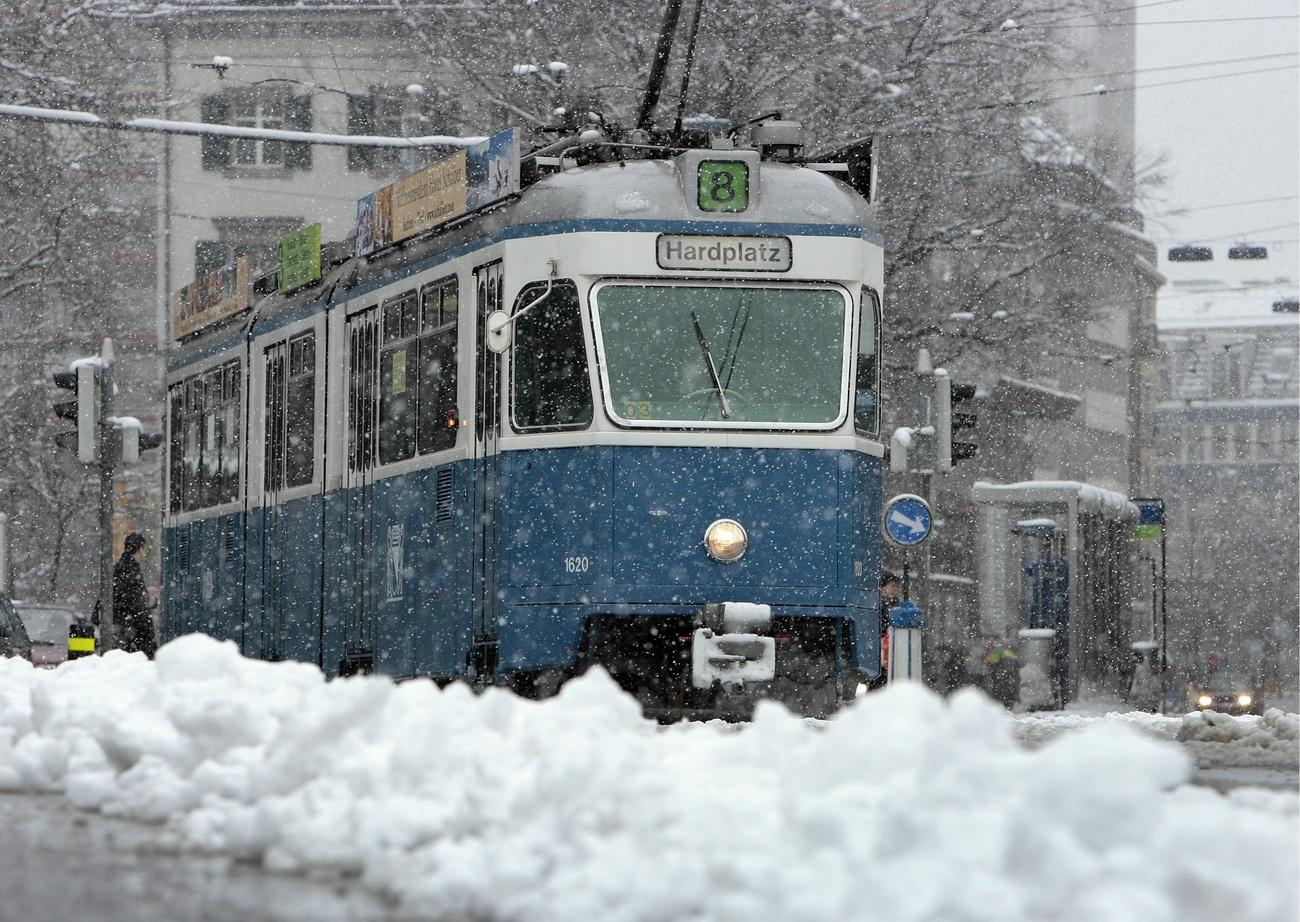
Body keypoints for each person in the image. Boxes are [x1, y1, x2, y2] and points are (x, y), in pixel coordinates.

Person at [113, 532, 157, 657]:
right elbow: (137, 603)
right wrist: (151, 601)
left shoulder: (119, 566)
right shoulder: (131, 569)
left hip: (122, 627)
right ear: (140, 549)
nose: (144, 553)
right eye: (143, 548)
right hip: (131, 631)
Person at [868, 571, 900, 690]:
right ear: (882, 587)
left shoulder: (894, 605)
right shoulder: (878, 605)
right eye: (892, 585)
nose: (895, 589)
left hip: (888, 650)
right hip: (881, 650)